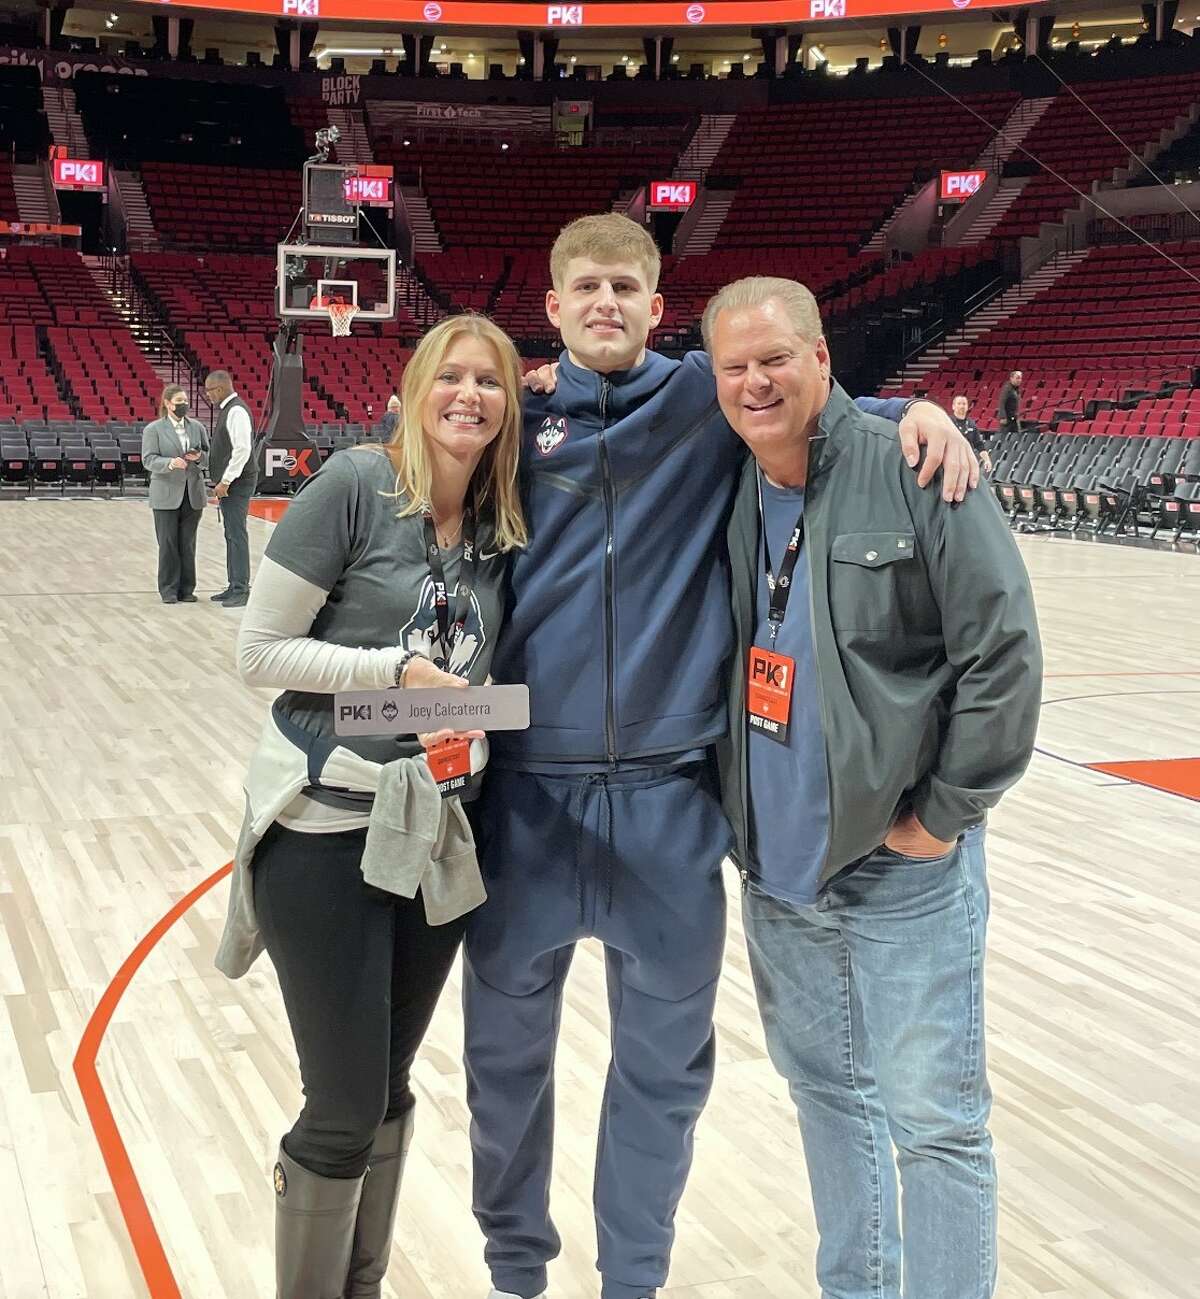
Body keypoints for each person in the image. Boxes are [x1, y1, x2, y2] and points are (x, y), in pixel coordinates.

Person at [463, 213, 979, 1299]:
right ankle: (516, 1276)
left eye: (627, 288)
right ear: (551, 309)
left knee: (662, 1082)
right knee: (503, 1073)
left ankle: (631, 1285)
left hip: (669, 809)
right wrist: (378, 715)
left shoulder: (703, 399)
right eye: (585, 287)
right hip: (523, 807)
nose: (605, 304)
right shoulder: (511, 418)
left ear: (657, 310)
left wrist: (918, 412)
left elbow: (802, 401)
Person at [707, 277, 1042, 1299]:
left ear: (821, 360)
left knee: (935, 1124)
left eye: (777, 358)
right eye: (735, 366)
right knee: (825, 1096)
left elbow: (1006, 656)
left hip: (904, 870)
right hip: (778, 872)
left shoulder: (915, 466)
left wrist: (941, 818)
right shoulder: (724, 475)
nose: (756, 382)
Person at [214, 314, 528, 1299]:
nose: (469, 395)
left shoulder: (498, 524)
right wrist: (391, 669)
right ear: (414, 388)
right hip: (323, 830)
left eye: (490, 381)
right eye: (452, 376)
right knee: (343, 1108)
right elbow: (258, 654)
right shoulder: (354, 485)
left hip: (432, 834)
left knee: (386, 1094)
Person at [141, 384, 209, 604]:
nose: (184, 405)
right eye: (179, 401)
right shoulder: (154, 430)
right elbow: (148, 459)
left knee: (188, 543)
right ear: (168, 404)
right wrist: (170, 463)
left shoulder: (197, 427)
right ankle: (168, 589)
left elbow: (208, 456)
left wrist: (198, 458)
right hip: (166, 494)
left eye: (185, 401)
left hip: (193, 492)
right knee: (168, 543)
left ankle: (187, 589)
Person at [203, 369, 258, 607]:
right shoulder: (228, 410)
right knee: (230, 533)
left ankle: (241, 588)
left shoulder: (236, 410)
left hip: (237, 482)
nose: (208, 396)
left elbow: (242, 449)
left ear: (221, 388)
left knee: (236, 534)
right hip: (231, 482)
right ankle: (233, 584)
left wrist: (226, 480)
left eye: (210, 391)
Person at [952, 393, 992, 474]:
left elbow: (979, 445)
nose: (962, 406)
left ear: (967, 407)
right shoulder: (947, 422)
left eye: (964, 404)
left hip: (967, 462)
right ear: (953, 406)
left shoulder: (971, 424)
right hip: (951, 461)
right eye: (959, 403)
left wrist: (987, 460)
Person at [997, 369, 1022, 435]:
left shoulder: (1016, 389)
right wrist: (1003, 417)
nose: (1019, 380)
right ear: (1011, 378)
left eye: (1020, 378)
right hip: (1007, 420)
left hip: (1014, 418)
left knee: (1016, 436)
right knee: (1005, 437)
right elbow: (1002, 403)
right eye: (1017, 378)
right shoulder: (1007, 389)